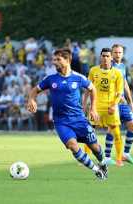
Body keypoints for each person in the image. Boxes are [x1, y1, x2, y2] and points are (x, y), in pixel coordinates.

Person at [27, 48, 107, 180]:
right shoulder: (50, 79)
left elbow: (92, 89)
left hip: (80, 120)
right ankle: (96, 169)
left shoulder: (78, 78)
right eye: (54, 59)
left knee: (95, 147)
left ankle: (103, 163)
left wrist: (93, 108)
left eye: (58, 59)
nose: (54, 62)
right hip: (61, 122)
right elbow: (34, 90)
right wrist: (31, 99)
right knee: (72, 146)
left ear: (68, 60)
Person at [83, 48, 124, 167]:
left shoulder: (117, 73)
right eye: (103, 56)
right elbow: (87, 88)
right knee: (89, 132)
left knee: (116, 132)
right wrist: (85, 104)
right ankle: (86, 158)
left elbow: (120, 93)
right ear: (100, 57)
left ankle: (119, 159)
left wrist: (114, 105)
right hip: (96, 106)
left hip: (111, 106)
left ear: (111, 57)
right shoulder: (93, 71)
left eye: (107, 56)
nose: (105, 58)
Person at [111, 44, 133, 164]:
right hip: (112, 103)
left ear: (122, 54)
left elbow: (125, 83)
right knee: (111, 129)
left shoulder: (122, 66)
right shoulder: (108, 66)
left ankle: (125, 154)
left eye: (120, 52)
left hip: (123, 102)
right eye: (116, 52)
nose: (118, 54)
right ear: (112, 54)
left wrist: (130, 101)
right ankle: (106, 157)